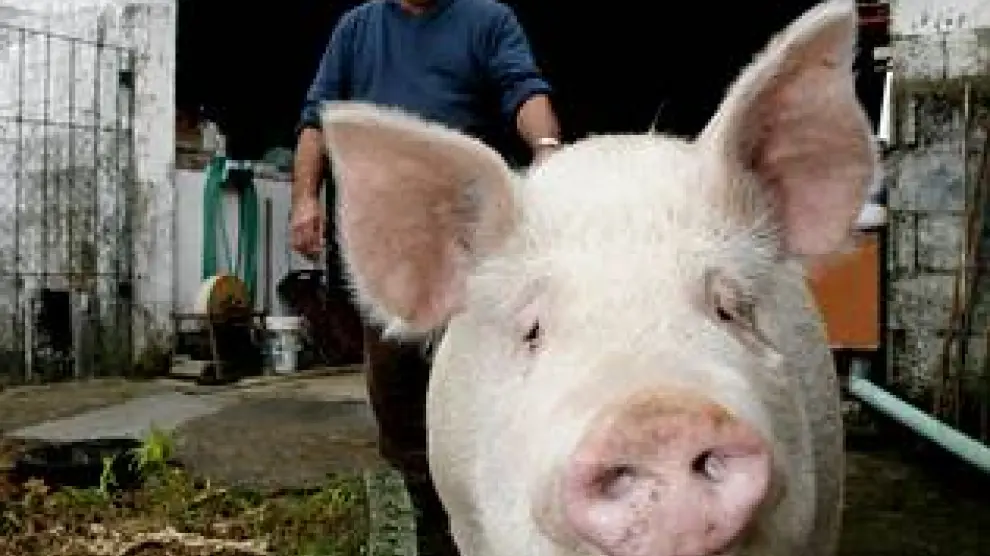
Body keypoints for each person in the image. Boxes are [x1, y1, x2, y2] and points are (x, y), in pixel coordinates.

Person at [289, 1, 562, 554]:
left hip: (468, 234)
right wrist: (304, 199)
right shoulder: (358, 28)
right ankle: (420, 506)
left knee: (482, 367)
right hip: (392, 235)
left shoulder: (487, 20)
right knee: (394, 372)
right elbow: (316, 121)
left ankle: (496, 496)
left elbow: (524, 90)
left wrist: (547, 149)